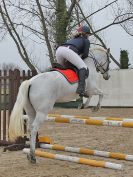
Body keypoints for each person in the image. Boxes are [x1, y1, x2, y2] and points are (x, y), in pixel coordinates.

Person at [55, 25, 91, 97]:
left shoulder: (73, 39)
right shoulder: (86, 40)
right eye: (88, 34)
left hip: (59, 50)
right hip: (69, 51)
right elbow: (85, 55)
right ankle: (81, 89)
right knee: (83, 67)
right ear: (86, 34)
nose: (89, 36)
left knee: (61, 70)